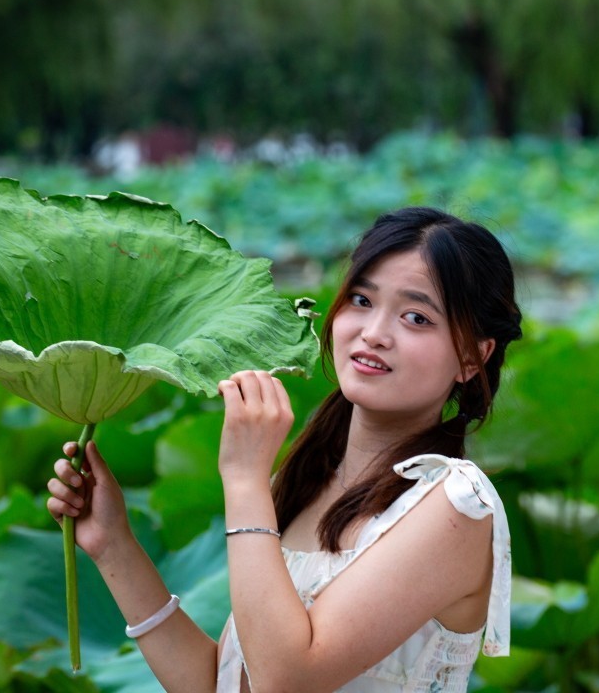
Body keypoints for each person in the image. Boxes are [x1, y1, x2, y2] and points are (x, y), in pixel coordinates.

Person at [46, 206, 524, 692]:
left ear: (472, 356)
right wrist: (114, 545)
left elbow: (286, 679)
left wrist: (244, 478)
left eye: (416, 317)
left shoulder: (457, 505)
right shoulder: (302, 482)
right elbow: (224, 683)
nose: (374, 333)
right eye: (361, 300)